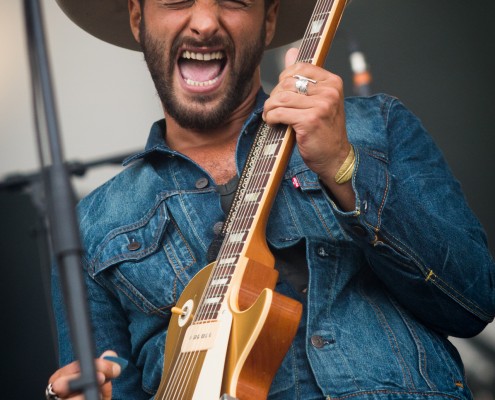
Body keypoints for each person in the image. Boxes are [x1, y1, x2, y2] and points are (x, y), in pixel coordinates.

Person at [47, 0, 495, 399]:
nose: (204, 21)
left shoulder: (377, 126)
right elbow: (105, 382)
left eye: (234, 0)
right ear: (137, 16)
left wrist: (343, 166)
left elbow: (472, 302)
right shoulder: (91, 226)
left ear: (270, 20)